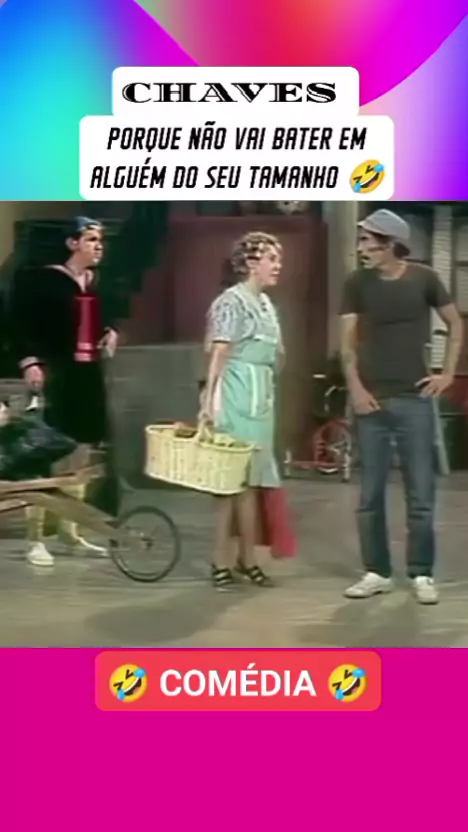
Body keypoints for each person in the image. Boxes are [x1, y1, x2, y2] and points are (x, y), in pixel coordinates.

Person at [340, 209, 463, 605]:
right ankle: (376, 571)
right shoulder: (356, 283)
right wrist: (356, 389)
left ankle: (421, 573)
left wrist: (447, 373)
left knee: (421, 494)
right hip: (372, 402)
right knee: (369, 496)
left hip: (414, 400)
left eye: (367, 241)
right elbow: (347, 343)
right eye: (361, 240)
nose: (361, 248)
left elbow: (455, 324)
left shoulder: (424, 279)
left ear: (390, 244)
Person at [9, 216, 119, 567]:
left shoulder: (93, 282)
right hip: (55, 370)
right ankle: (36, 538)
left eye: (100, 240)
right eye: (91, 240)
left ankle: (70, 531)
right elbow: (19, 323)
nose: (99, 246)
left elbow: (95, 321)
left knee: (81, 451)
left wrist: (108, 332)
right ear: (72, 244)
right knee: (48, 452)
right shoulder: (43, 280)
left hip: (86, 373)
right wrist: (29, 361)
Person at [200, 231, 286, 590]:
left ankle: (248, 560)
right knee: (228, 483)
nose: (278, 266)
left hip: (260, 397)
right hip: (235, 395)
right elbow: (218, 351)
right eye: (272, 259)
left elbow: (278, 351)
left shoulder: (265, 304)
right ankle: (220, 561)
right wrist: (208, 400)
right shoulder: (230, 302)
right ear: (251, 262)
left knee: (251, 484)